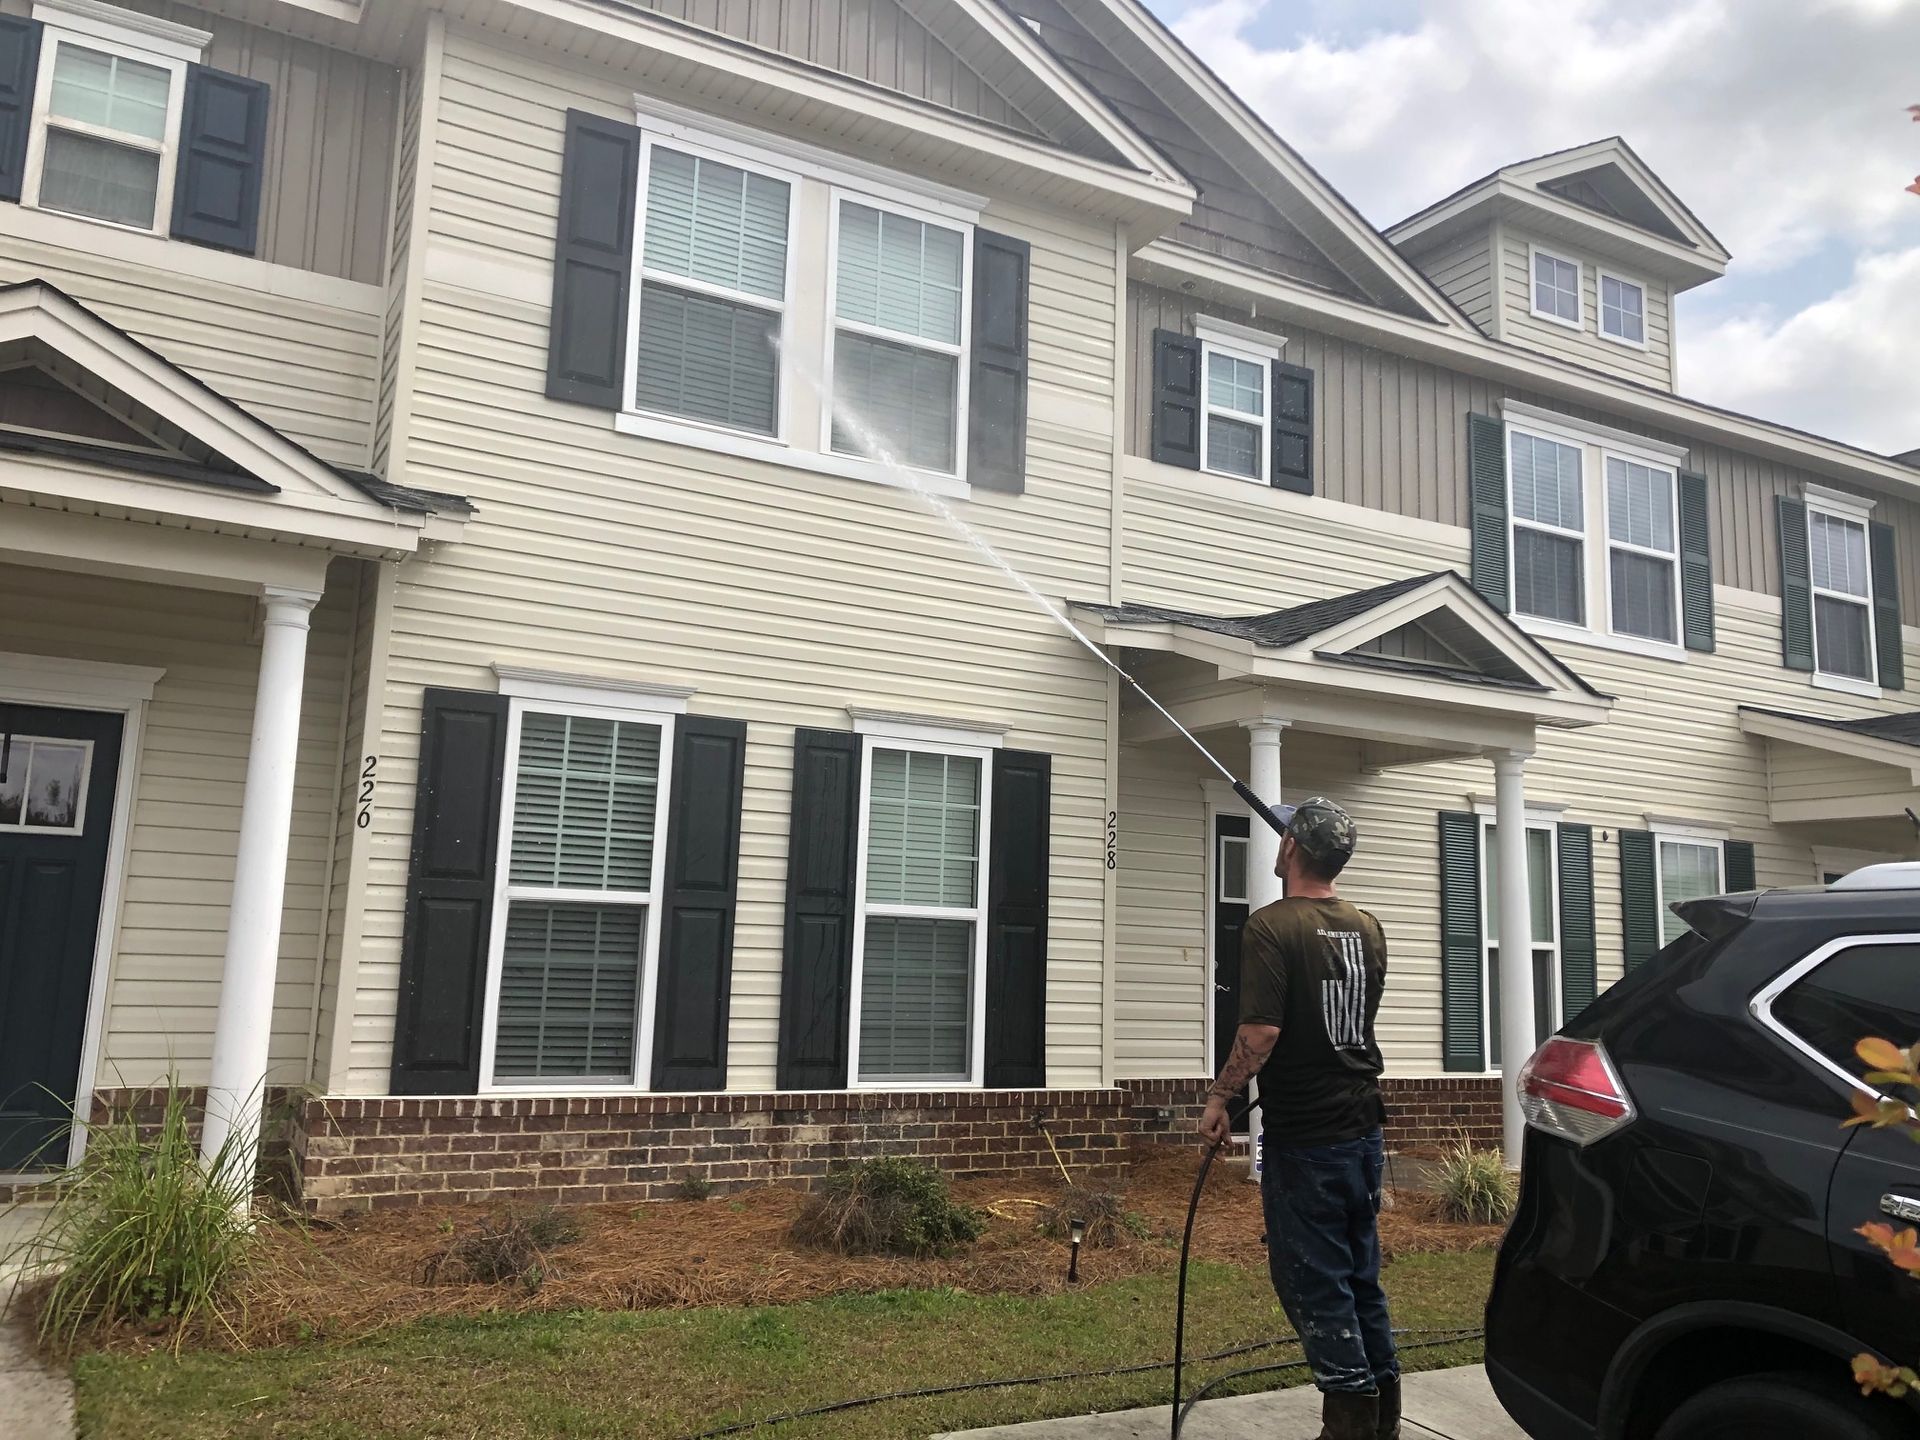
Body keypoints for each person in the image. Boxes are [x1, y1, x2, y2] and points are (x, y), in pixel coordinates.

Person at [1199, 796, 1397, 1440]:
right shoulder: (1368, 926)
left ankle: (1349, 1420)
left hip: (1308, 1136)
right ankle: (1382, 1414)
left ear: (1289, 850)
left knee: (1313, 1279)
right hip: (1363, 1130)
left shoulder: (1270, 927)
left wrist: (1220, 1096)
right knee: (1358, 1272)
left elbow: (1261, 1031)